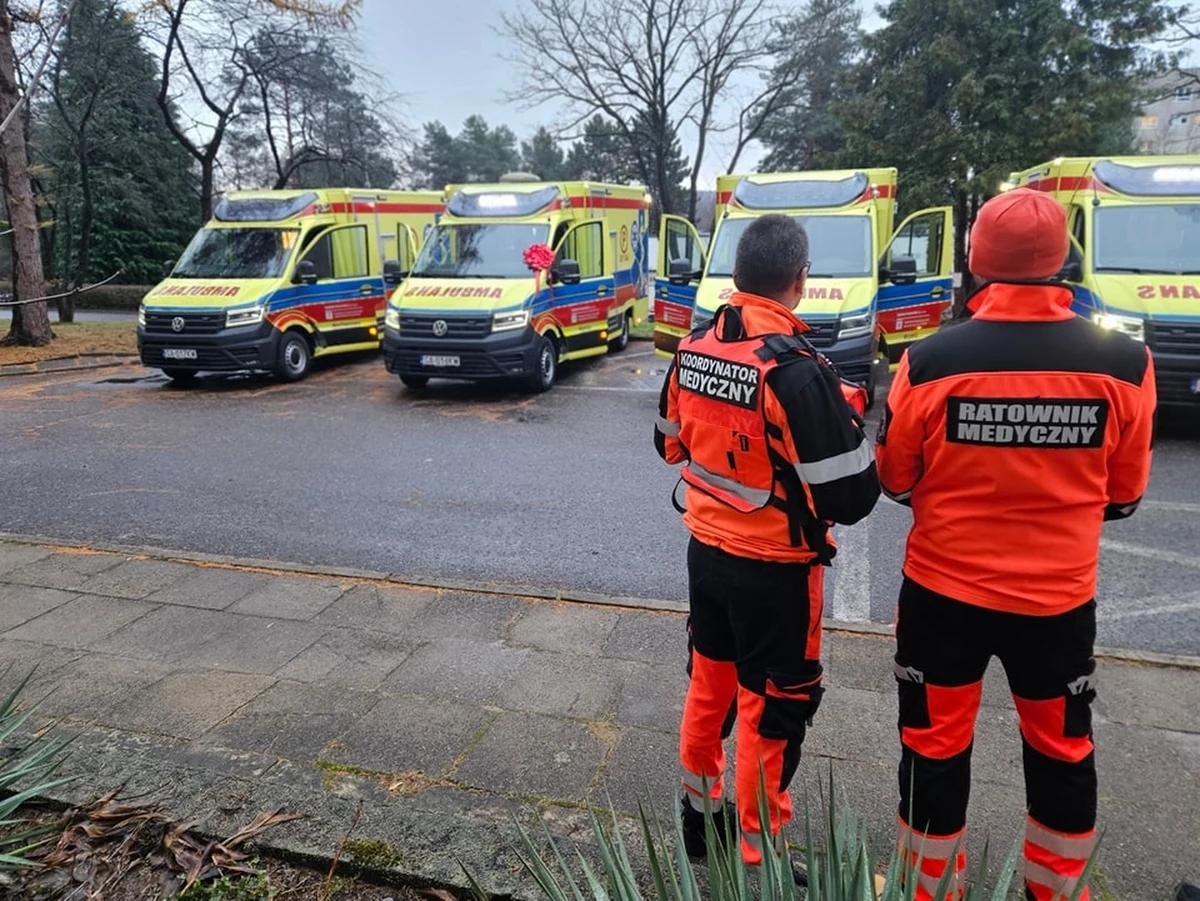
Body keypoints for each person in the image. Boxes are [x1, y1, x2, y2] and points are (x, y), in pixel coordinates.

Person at [875, 188, 1156, 901]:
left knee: (933, 750)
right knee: (1062, 753)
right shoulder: (1125, 364)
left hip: (942, 599)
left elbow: (894, 476)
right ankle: (1057, 891)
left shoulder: (930, 361)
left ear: (975, 263)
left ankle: (930, 889)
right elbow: (1124, 495)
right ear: (1063, 261)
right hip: (1057, 607)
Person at [654, 214, 880, 875]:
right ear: (800, 280)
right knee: (768, 709)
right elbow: (852, 496)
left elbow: (670, 443)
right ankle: (760, 850)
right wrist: (848, 422)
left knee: (709, 688)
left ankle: (700, 822)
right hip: (776, 573)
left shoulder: (693, 348)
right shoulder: (798, 373)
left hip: (706, 555)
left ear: (737, 277)